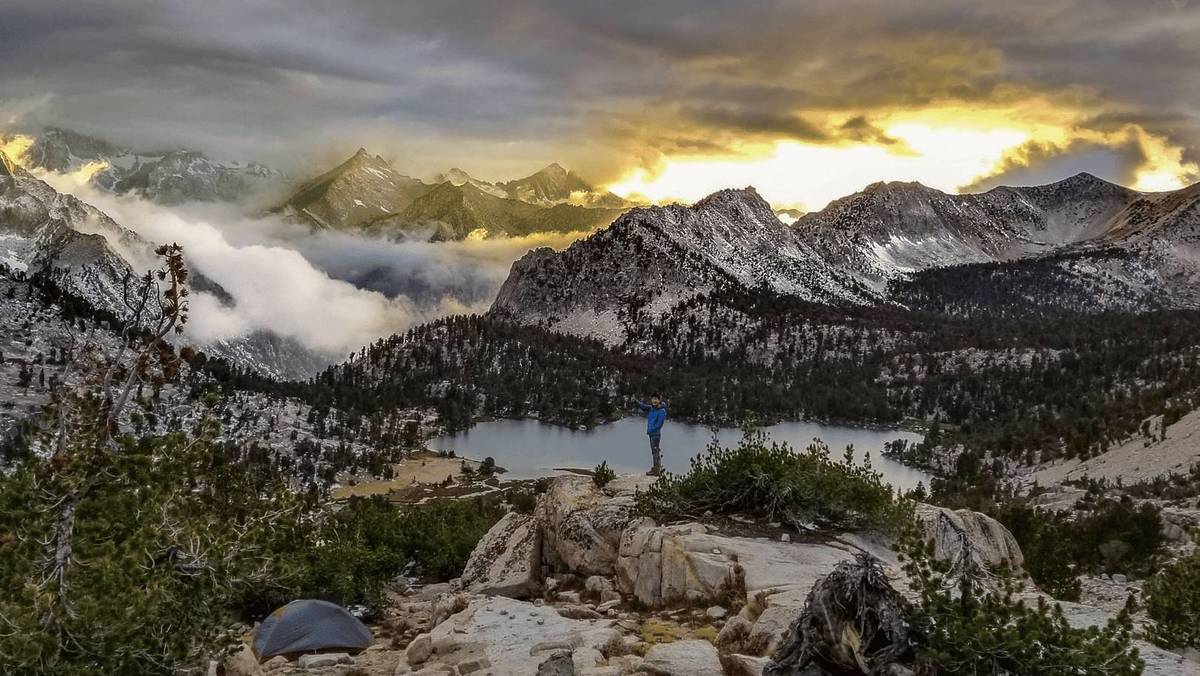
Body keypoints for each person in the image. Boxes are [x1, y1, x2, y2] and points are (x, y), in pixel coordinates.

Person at [634, 394, 667, 475]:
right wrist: (635, 401)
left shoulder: (662, 411)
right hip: (651, 434)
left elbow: (659, 424)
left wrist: (651, 430)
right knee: (654, 451)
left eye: (656, 399)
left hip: (655, 434)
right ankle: (656, 469)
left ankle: (656, 470)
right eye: (653, 399)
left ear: (659, 400)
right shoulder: (651, 408)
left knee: (655, 451)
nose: (654, 401)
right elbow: (643, 406)